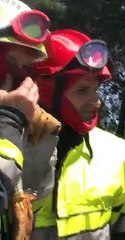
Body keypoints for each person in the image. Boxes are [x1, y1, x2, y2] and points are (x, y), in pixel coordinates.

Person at [30, 29, 125, 239]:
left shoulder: (120, 155)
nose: (97, 101)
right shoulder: (9, 152)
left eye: (96, 89)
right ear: (46, 90)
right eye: (82, 90)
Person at [0, 1, 59, 238]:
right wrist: (8, 118)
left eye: (26, 69)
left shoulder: (26, 127)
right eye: (12, 63)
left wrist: (37, 150)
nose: (19, 81)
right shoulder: (9, 120)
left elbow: (37, 200)